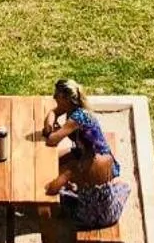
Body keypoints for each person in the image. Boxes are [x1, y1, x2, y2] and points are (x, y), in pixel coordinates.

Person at [42, 80, 130, 230]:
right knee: (117, 186)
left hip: (87, 219)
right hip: (109, 212)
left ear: (67, 99)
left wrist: (51, 130)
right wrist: (51, 123)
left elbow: (51, 189)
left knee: (60, 191)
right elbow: (53, 112)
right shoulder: (101, 159)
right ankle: (83, 187)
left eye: (57, 95)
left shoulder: (77, 165)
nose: (54, 97)